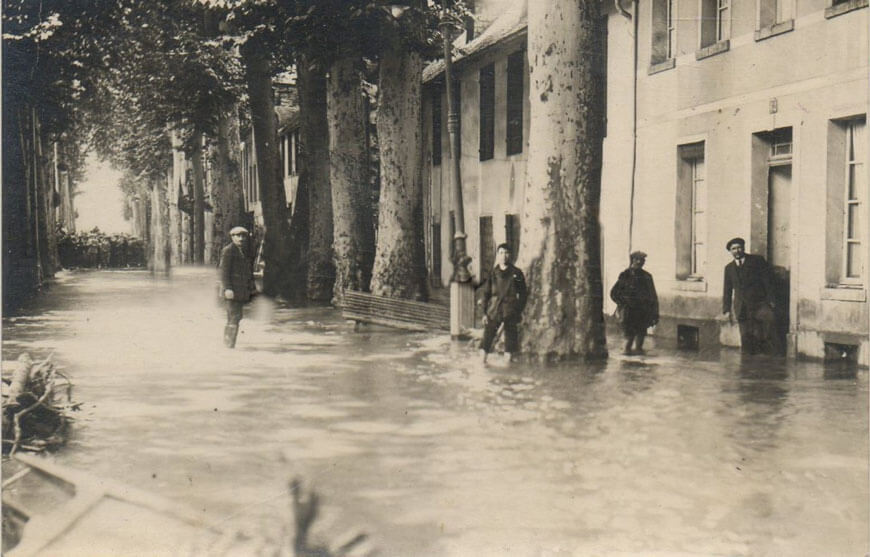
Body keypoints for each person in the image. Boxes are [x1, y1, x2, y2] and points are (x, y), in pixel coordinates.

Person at [722, 237, 778, 355]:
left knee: (764, 332)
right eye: (733, 249)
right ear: (730, 251)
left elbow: (768, 281)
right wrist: (726, 310)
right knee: (745, 336)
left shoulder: (756, 261)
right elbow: (727, 290)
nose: (737, 251)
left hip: (759, 304)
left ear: (743, 248)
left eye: (739, 247)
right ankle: (747, 364)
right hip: (741, 307)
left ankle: (766, 362)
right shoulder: (729, 268)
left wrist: (771, 300)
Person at [477, 243, 528, 364]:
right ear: (497, 255)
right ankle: (482, 365)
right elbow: (485, 294)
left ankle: (507, 370)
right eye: (501, 253)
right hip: (495, 310)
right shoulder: (493, 274)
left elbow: (523, 294)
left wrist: (518, 310)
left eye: (506, 253)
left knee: (510, 342)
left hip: (510, 311)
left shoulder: (517, 273)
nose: (503, 256)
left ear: (510, 255)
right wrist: (484, 313)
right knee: (487, 338)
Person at [610, 251, 659, 355]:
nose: (641, 262)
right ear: (633, 260)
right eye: (638, 260)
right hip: (629, 312)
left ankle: (638, 364)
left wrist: (655, 313)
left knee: (640, 338)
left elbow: (653, 296)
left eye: (643, 260)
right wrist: (623, 302)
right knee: (628, 338)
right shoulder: (625, 275)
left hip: (642, 312)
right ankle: (626, 363)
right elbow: (614, 293)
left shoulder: (647, 276)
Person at [220, 226, 256, 348]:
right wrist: (227, 288)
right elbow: (224, 272)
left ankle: (229, 343)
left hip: (240, 291)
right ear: (232, 237)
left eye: (243, 236)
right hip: (231, 290)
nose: (241, 238)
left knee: (236, 316)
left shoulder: (244, 251)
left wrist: (251, 288)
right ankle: (229, 345)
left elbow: (248, 271)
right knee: (234, 316)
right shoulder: (228, 251)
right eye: (238, 236)